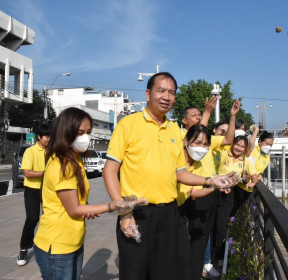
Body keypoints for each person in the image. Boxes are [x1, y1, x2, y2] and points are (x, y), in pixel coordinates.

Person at [102, 72, 233, 280]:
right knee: (135, 273)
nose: (166, 97)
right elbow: (109, 170)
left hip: (170, 215)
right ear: (148, 94)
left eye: (171, 92)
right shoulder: (127, 124)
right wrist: (124, 213)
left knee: (167, 273)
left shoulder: (174, 131)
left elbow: (180, 173)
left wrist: (210, 181)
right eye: (161, 90)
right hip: (137, 213)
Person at [33, 107, 146, 280]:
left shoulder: (75, 159)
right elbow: (74, 209)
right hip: (57, 245)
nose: (86, 137)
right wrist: (114, 205)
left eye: (89, 132)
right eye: (81, 132)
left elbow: (76, 204)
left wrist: (88, 209)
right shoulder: (62, 164)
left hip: (73, 241)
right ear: (66, 132)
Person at [181, 101, 239, 279]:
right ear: (184, 121)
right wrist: (207, 112)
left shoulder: (204, 140)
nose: (203, 147)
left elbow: (227, 139)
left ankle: (201, 265)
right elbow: (190, 189)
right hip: (192, 195)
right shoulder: (181, 142)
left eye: (206, 144)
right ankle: (195, 268)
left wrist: (233, 116)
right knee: (191, 240)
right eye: (194, 115)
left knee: (203, 237)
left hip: (208, 189)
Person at [215, 135, 259, 263]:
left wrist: (253, 183)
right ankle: (213, 251)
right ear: (232, 143)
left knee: (221, 223)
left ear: (245, 149)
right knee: (213, 222)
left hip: (229, 194)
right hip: (215, 190)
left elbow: (254, 175)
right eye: (237, 144)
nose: (238, 148)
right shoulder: (224, 154)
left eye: (242, 146)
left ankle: (220, 255)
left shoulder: (245, 160)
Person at [17, 123, 51, 266]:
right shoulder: (30, 151)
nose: (49, 139)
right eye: (46, 136)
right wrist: (46, 173)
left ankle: (48, 246)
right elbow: (27, 173)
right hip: (32, 189)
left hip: (47, 189)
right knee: (32, 218)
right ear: (38, 136)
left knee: (49, 217)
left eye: (51, 136)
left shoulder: (52, 152)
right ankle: (24, 248)